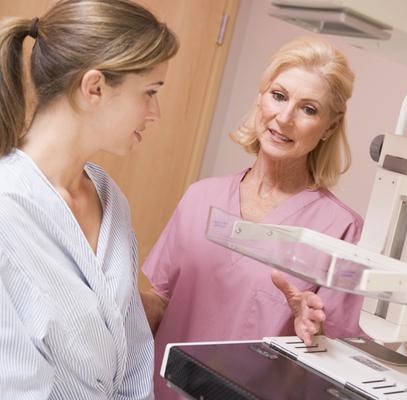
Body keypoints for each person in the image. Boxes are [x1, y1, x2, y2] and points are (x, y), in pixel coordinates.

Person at [141, 36, 364, 399]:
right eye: (278, 96)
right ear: (261, 97)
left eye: (308, 109)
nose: (285, 117)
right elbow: (161, 304)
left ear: (329, 126)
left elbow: (338, 366)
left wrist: (311, 332)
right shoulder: (202, 196)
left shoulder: (341, 230)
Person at [0, 0, 178, 398]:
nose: (156, 112)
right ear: (94, 87)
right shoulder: (6, 209)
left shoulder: (109, 197)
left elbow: (132, 352)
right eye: (149, 92)